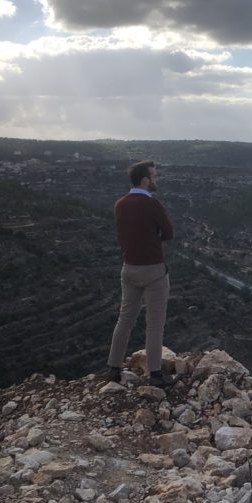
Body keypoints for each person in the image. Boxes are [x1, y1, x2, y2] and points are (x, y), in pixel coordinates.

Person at [107, 160, 174, 386]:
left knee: (124, 319)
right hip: (153, 270)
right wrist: (155, 236)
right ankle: (155, 374)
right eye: (155, 176)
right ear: (145, 180)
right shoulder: (151, 204)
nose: (157, 179)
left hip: (129, 268)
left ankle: (114, 368)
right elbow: (169, 232)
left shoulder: (120, 204)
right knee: (154, 323)